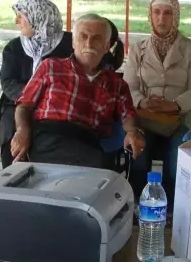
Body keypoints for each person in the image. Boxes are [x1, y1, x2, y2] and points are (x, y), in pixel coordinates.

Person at [13, 13, 146, 168]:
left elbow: (128, 115)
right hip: (49, 137)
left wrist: (133, 131)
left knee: (98, 170)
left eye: (96, 38)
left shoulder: (116, 83)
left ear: (106, 46)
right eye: (83, 37)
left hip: (87, 142)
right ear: (74, 42)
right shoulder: (50, 67)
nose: (88, 43)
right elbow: (23, 105)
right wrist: (22, 130)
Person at [122, 0, 191, 201]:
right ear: (150, 15)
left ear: (175, 16)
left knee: (178, 165)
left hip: (181, 120)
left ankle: (174, 211)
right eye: (156, 12)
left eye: (168, 13)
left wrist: (174, 105)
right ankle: (137, 206)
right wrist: (143, 101)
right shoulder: (137, 50)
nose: (161, 19)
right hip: (145, 120)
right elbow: (127, 87)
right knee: (138, 156)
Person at [0, 0, 73, 169]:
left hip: (59, 104)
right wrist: (32, 98)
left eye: (21, 16)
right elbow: (8, 81)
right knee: (10, 129)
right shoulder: (14, 47)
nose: (17, 21)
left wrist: (49, 100)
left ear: (37, 16)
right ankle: (13, 177)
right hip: (19, 102)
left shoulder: (69, 45)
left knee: (59, 131)